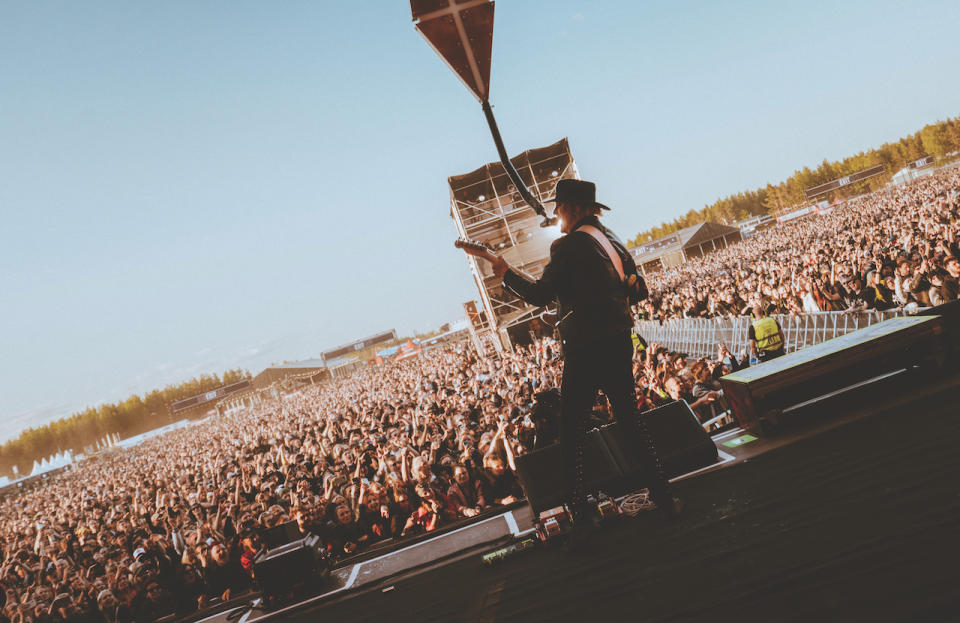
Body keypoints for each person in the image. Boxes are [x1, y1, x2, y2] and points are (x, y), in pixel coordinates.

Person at [489, 179, 681, 529]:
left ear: (573, 208)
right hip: (618, 338)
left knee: (571, 429)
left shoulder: (568, 246)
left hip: (586, 347)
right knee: (629, 419)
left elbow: (539, 294)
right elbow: (637, 291)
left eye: (559, 207)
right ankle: (663, 495)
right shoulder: (611, 240)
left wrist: (506, 274)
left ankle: (579, 511)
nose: (556, 213)